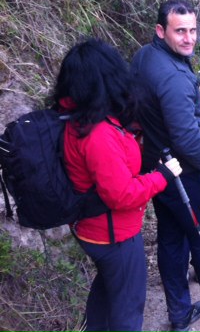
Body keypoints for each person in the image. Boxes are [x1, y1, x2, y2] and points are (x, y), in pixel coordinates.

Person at [56, 38, 183, 332]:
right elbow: (121, 194)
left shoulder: (78, 119)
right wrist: (162, 175)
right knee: (128, 307)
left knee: (106, 292)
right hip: (114, 235)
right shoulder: (98, 133)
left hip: (93, 229)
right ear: (105, 78)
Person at [131, 0, 200, 332]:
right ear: (161, 30)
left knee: (172, 239)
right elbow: (187, 136)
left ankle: (179, 311)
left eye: (192, 30)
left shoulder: (146, 56)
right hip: (188, 174)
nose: (189, 38)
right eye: (180, 31)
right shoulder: (172, 76)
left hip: (161, 169)